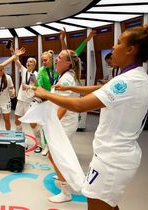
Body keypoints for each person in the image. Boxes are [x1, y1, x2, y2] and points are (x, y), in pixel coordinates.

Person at [34, 22, 148, 210]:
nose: (113, 46)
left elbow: (80, 105)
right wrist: (69, 88)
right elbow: (101, 88)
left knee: (98, 205)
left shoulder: (127, 81)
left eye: (119, 42)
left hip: (113, 158)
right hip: (114, 154)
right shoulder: (134, 76)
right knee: (107, 204)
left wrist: (45, 93)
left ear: (130, 49)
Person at [47, 49, 82, 203]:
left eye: (59, 58)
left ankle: (66, 192)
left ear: (68, 63)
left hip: (64, 122)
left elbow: (63, 106)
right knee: (61, 154)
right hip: (63, 121)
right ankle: (64, 175)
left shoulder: (67, 79)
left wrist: (52, 124)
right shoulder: (64, 76)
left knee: (55, 155)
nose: (56, 59)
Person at [32, 50, 58, 155]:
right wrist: (36, 85)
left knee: (56, 124)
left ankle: (54, 146)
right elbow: (40, 85)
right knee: (45, 125)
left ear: (51, 60)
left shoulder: (57, 68)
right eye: (42, 60)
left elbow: (73, 56)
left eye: (45, 60)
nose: (43, 62)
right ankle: (46, 146)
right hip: (46, 100)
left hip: (57, 99)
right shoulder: (41, 70)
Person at [0, 65, 15, 130]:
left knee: (6, 119)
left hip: (5, 101)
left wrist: (13, 92)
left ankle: (8, 134)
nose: (0, 71)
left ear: (3, 70)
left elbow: (12, 88)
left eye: (1, 70)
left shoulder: (8, 77)